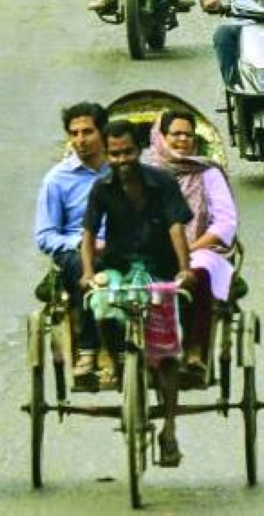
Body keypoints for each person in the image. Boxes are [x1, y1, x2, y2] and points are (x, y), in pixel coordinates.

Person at [80, 120, 194, 463]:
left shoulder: (162, 181)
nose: (121, 160)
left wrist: (184, 269)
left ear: (139, 150)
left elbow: (176, 226)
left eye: (127, 152)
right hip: (118, 266)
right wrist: (88, 273)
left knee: (167, 351)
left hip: (157, 267)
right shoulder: (102, 187)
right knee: (99, 304)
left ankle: (170, 430)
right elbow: (87, 233)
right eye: (114, 154)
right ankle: (115, 359)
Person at [148, 108, 238, 383]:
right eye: (176, 134)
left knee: (199, 274)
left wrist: (189, 250)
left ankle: (195, 350)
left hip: (199, 248)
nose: (183, 140)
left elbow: (225, 223)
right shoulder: (144, 171)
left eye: (188, 135)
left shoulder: (207, 172)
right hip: (154, 248)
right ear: (162, 137)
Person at [35, 102, 108, 381]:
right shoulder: (57, 179)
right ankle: (89, 347)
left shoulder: (123, 170)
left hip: (122, 245)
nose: (80, 140)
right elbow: (45, 236)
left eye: (87, 132)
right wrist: (83, 243)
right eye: (74, 133)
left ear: (102, 133)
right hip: (75, 252)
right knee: (87, 265)